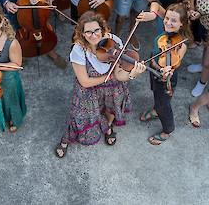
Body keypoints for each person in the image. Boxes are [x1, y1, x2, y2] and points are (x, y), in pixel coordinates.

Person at [54, 12, 146, 158]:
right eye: (88, 32)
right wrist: (108, 78)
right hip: (88, 91)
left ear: (102, 29)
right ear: (82, 34)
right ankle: (66, 139)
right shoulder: (78, 50)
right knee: (79, 115)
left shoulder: (114, 42)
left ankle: (108, 128)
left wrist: (132, 74)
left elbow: (120, 75)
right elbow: (84, 81)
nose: (93, 35)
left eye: (96, 30)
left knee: (110, 109)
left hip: (112, 89)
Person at [138, 4, 191, 145]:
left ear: (182, 24)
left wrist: (166, 70)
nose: (168, 22)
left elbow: (173, 64)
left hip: (165, 77)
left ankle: (168, 129)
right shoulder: (165, 31)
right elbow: (155, 4)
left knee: (164, 104)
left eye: (174, 21)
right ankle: (156, 110)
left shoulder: (182, 44)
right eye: (167, 18)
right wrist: (152, 14)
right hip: (155, 69)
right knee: (155, 93)